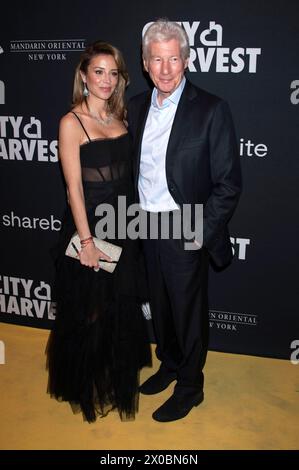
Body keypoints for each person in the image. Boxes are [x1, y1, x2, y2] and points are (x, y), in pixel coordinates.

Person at [127, 20, 242, 422]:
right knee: (160, 307)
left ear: (187, 59)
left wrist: (200, 232)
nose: (165, 68)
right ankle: (171, 365)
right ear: (144, 63)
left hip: (185, 223)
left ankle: (191, 386)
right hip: (145, 224)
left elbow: (228, 184)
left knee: (188, 311)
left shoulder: (211, 109)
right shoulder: (136, 107)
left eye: (173, 58)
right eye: (156, 59)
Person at [46, 41, 151, 423]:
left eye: (113, 73)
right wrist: (87, 243)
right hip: (91, 229)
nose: (106, 80)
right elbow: (73, 188)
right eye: (98, 72)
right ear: (84, 76)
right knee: (90, 310)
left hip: (125, 227)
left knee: (120, 307)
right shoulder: (71, 122)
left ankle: (113, 373)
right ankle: (87, 383)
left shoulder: (121, 114)